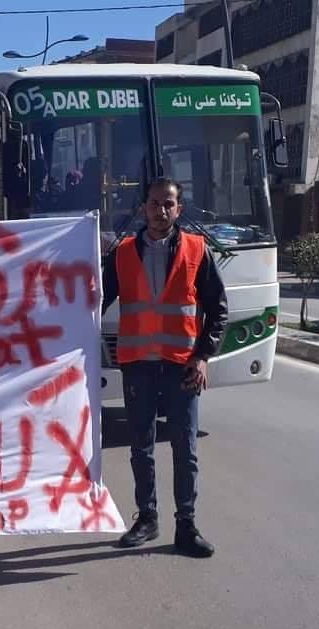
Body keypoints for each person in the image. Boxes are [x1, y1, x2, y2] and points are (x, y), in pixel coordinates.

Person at [101, 178, 228, 558]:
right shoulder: (121, 253)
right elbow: (92, 302)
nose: (161, 211)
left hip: (182, 367)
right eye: (154, 203)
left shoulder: (196, 249)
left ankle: (186, 526)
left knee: (185, 449)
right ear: (143, 207)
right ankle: (147, 519)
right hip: (139, 366)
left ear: (179, 208)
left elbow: (218, 311)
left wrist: (203, 356)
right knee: (141, 447)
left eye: (168, 204)